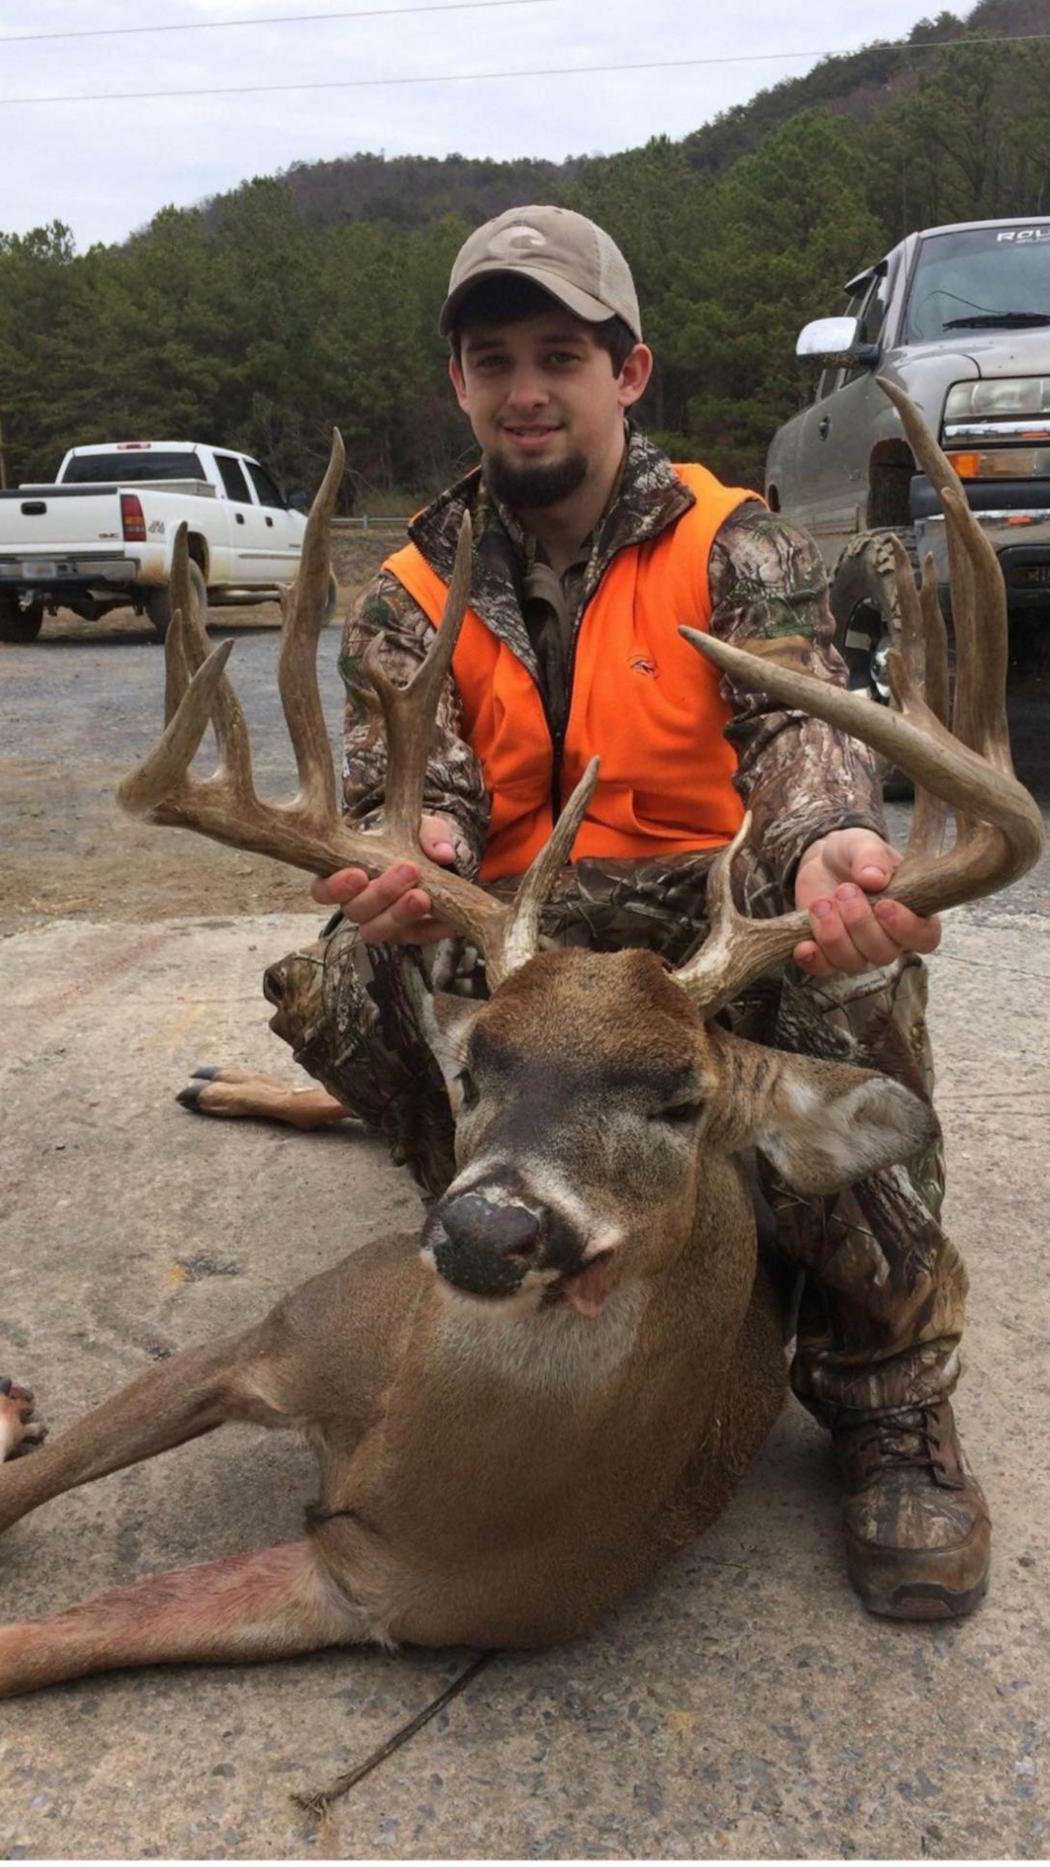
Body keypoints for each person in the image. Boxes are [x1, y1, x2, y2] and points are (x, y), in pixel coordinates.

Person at [192, 205, 986, 1621]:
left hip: (704, 918)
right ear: (458, 384)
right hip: (520, 932)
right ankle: (500, 1209)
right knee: (340, 976)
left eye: (560, 353)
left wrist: (822, 850)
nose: (524, 388)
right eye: (491, 357)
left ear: (628, 373)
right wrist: (408, 849)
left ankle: (884, 1387)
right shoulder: (414, 586)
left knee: (843, 987)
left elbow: (792, 720)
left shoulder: (731, 543)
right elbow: (410, 779)